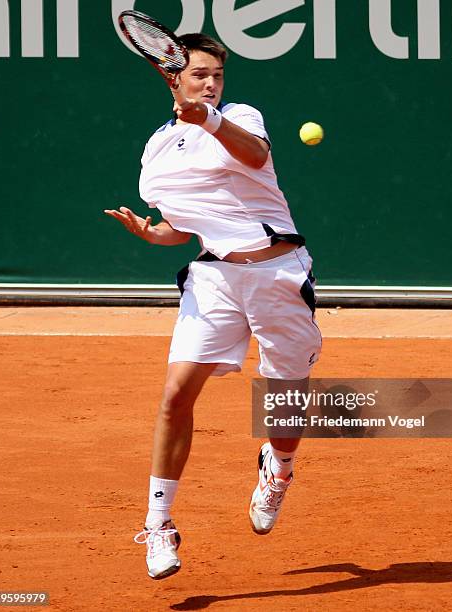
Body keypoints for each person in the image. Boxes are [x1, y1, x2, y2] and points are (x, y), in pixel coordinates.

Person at [105, 32, 322, 580]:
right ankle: (159, 524)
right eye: (199, 73)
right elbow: (185, 225)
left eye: (217, 76)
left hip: (277, 272)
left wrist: (208, 117)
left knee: (285, 405)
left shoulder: (240, 117)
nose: (211, 83)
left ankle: (281, 466)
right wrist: (154, 235)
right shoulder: (156, 150)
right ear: (171, 76)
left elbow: (255, 154)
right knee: (176, 394)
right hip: (215, 278)